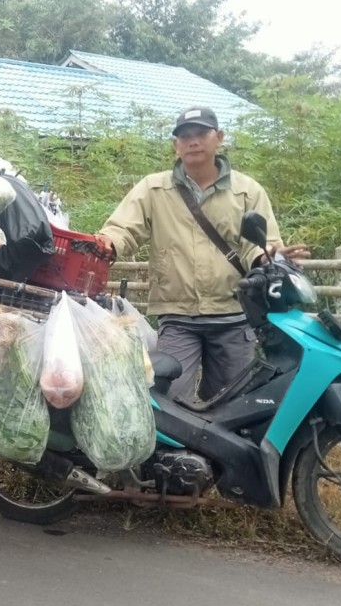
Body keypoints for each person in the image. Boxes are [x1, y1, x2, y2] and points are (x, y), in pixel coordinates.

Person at [95, 106, 309, 402]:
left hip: (233, 315)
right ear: (176, 145)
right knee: (169, 402)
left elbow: (258, 245)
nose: (193, 141)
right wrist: (107, 242)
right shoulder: (154, 189)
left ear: (218, 138)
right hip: (178, 315)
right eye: (185, 136)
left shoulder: (246, 191)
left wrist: (269, 255)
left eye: (201, 134)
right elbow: (123, 228)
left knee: (231, 406)